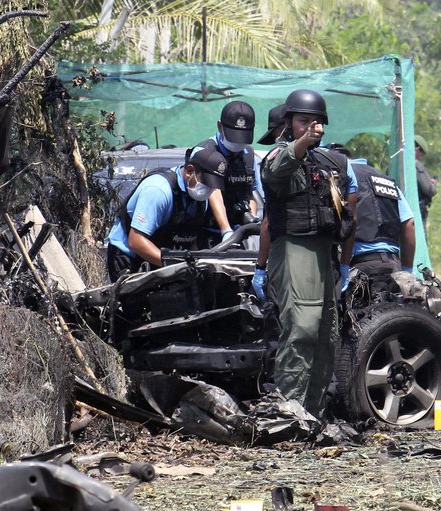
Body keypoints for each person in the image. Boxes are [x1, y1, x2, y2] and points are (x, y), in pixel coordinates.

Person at [255, 89, 357, 417]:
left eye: (316, 122)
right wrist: (300, 142)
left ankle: (313, 414)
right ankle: (290, 413)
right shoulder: (277, 157)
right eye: (303, 121)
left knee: (326, 334)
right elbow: (277, 171)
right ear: (288, 124)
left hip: (324, 253)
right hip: (294, 249)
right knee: (301, 328)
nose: (311, 127)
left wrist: (342, 263)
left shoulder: (327, 162)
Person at [105, 145, 227, 281]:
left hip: (163, 257)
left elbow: (190, 236)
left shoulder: (199, 199)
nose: (209, 190)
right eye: (206, 183)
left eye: (213, 186)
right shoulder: (158, 190)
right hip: (130, 258)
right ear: (189, 171)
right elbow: (136, 241)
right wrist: (176, 266)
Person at [328, 145, 416, 293]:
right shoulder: (384, 179)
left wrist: (343, 266)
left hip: (359, 266)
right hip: (394, 265)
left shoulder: (340, 178)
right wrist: (407, 270)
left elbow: (348, 222)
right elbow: (409, 224)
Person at [192, 101, 262, 242]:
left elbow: (251, 192)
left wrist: (250, 221)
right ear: (220, 126)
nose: (238, 143)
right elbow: (213, 192)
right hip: (207, 234)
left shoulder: (248, 154)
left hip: (238, 233)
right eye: (234, 136)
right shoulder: (204, 153)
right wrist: (226, 230)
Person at [414, 134, 436, 224]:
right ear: (418, 150)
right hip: (418, 211)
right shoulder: (417, 166)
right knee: (421, 237)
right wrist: (433, 185)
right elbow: (429, 190)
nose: (421, 157)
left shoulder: (396, 163)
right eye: (421, 154)